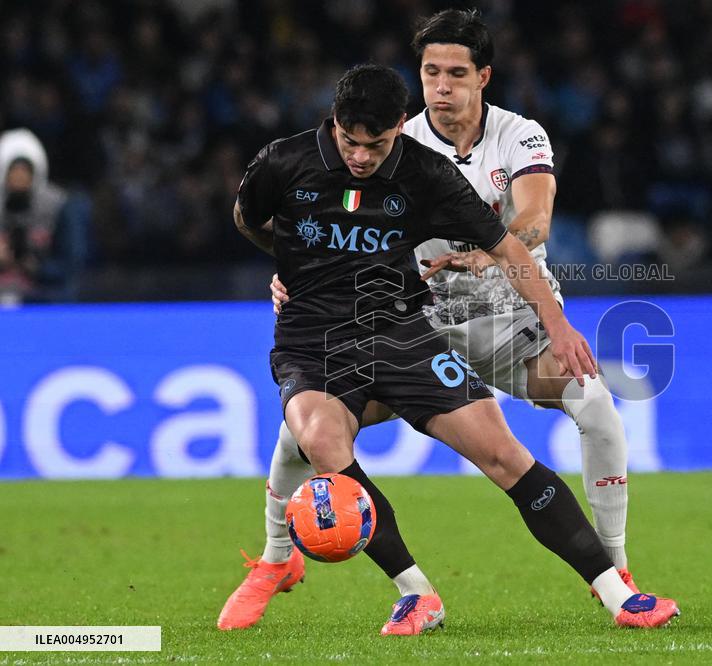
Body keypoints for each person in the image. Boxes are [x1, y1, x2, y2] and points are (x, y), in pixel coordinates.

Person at [219, 63, 678, 634]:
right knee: (317, 437)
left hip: (403, 332)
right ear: (333, 122)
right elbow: (247, 218)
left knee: (504, 455)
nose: (361, 157)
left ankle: (618, 593)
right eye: (350, 142)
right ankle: (416, 593)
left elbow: (510, 248)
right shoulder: (282, 162)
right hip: (314, 341)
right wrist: (289, 265)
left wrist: (558, 328)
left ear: (397, 131)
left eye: (377, 144)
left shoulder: (425, 173)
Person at [0, 128, 89, 304]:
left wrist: (38, 268)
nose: (19, 177)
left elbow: (72, 261)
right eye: (14, 171)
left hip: (45, 297)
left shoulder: (59, 206)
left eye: (24, 171)